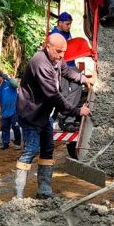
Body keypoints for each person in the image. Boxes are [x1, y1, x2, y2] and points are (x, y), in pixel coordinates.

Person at [15, 33, 94, 199]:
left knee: (48, 150)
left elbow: (66, 71)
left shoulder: (56, 59)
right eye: (58, 51)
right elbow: (53, 95)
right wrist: (77, 111)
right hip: (32, 114)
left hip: (45, 115)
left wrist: (83, 79)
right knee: (31, 150)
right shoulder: (40, 62)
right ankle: (18, 196)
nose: (61, 56)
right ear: (47, 46)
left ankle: (44, 191)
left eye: (63, 52)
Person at [50, 11, 83, 132]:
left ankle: (63, 114)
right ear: (60, 22)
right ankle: (68, 120)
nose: (69, 27)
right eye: (67, 24)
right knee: (63, 93)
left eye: (70, 24)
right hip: (60, 66)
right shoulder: (54, 35)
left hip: (71, 65)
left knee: (78, 87)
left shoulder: (66, 32)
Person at [0, 70, 22, 150]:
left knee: (15, 126)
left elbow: (16, 85)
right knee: (4, 127)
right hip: (4, 112)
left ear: (0, 77)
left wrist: (8, 78)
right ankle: (5, 144)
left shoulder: (9, 83)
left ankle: (17, 143)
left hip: (14, 110)